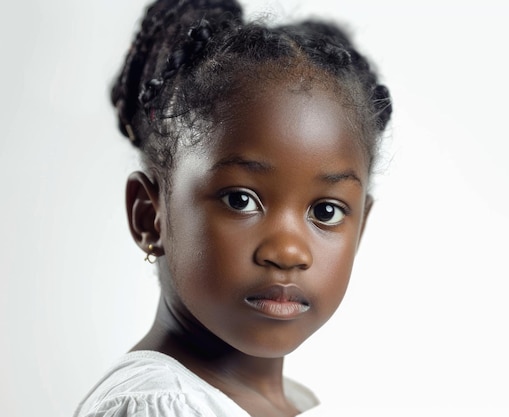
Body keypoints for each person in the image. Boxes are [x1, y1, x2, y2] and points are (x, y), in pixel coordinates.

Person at [74, 0, 392, 415]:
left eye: (326, 211)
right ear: (149, 215)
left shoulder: (296, 402)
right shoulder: (162, 405)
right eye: (241, 200)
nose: (287, 251)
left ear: (361, 228)